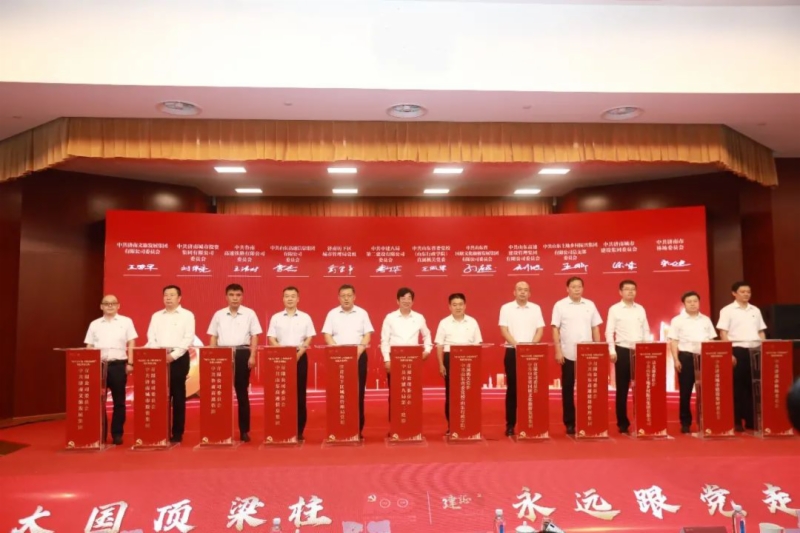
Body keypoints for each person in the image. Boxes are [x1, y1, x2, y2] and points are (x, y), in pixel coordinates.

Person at [207, 283, 263, 443]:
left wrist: (252, 356)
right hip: (222, 353)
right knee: (221, 394)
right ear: (226, 297)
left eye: (238, 295)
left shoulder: (249, 313)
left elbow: (255, 336)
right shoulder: (218, 314)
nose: (235, 298)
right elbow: (213, 336)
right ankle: (221, 429)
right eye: (231, 295)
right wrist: (212, 356)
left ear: (242, 297)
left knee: (241, 393)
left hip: (242, 352)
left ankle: (244, 431)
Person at [551, 276, 602, 435]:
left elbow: (595, 328)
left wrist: (598, 349)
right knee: (567, 389)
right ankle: (570, 423)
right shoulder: (560, 305)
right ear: (567, 289)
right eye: (573, 287)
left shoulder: (590, 305)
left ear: (583, 288)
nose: (577, 289)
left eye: (579, 286)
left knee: (589, 390)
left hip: (588, 354)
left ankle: (588, 420)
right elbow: (555, 329)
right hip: (568, 354)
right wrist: (558, 350)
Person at [84, 294, 138, 445]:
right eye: (106, 303)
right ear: (101, 306)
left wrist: (131, 363)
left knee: (119, 401)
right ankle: (100, 433)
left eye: (113, 303)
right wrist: (89, 364)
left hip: (118, 365)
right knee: (97, 402)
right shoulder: (94, 324)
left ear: (118, 306)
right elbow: (89, 345)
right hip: (99, 365)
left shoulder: (126, 322)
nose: (110, 306)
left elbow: (131, 342)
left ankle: (117, 433)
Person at [322, 284, 374, 438]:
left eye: (349, 295)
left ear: (354, 297)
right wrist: (338, 353)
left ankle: (357, 428)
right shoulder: (332, 314)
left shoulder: (362, 313)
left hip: (358, 356)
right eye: (343, 296)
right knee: (337, 393)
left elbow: (367, 334)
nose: (346, 298)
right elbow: (327, 335)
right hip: (337, 359)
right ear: (338, 298)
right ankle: (338, 427)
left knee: (358, 393)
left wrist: (358, 351)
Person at [146, 285, 195, 444]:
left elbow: (188, 338)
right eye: (166, 295)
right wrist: (160, 355)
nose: (168, 297)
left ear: (179, 298)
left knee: (178, 395)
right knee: (159, 395)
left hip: (179, 358)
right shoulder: (156, 316)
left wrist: (172, 356)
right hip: (158, 358)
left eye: (172, 295)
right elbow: (151, 337)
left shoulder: (187, 315)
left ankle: (177, 432)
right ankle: (160, 429)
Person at [716, 281, 767, 432]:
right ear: (734, 293)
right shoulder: (727, 310)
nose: (746, 294)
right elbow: (723, 333)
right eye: (742, 292)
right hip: (737, 350)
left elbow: (761, 331)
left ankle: (751, 420)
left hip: (755, 350)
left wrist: (765, 348)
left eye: (748, 292)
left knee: (753, 386)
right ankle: (736, 420)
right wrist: (729, 353)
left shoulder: (755, 310)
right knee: (737, 386)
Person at [267, 286, 315, 441]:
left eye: (293, 296)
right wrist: (283, 353)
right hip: (280, 359)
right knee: (282, 393)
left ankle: (299, 429)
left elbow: (309, 337)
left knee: (299, 393)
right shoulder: (276, 317)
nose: (290, 299)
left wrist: (299, 353)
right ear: (283, 299)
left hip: (300, 356)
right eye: (287, 296)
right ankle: (283, 426)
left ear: (298, 299)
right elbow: (271, 338)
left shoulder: (305, 317)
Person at [498, 281, 545, 437]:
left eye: (525, 290)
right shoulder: (506, 308)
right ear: (514, 292)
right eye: (519, 289)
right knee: (513, 389)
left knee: (531, 390)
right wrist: (517, 345)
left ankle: (530, 423)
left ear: (529, 293)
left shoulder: (536, 308)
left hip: (532, 353)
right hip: (512, 351)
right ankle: (510, 425)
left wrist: (531, 346)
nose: (522, 292)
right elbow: (503, 330)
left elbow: (540, 329)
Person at [380, 287, 433, 425]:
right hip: (395, 359)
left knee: (412, 392)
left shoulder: (419, 317)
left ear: (413, 301)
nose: (406, 301)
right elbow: (384, 340)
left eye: (409, 298)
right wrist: (387, 360)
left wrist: (427, 350)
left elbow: (427, 335)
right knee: (395, 393)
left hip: (413, 360)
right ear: (397, 301)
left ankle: (412, 424)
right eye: (403, 298)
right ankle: (395, 425)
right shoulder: (390, 318)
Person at [667, 291, 718, 434]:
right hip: (686, 357)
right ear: (684, 304)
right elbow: (674, 341)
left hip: (704, 357)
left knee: (707, 391)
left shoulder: (705, 320)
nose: (693, 304)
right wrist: (676, 359)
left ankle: (706, 421)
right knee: (685, 392)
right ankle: (685, 423)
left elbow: (711, 339)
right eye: (689, 302)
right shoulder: (677, 320)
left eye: (695, 301)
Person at [605, 279, 651, 435]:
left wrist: (647, 349)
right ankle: (623, 423)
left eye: (633, 289)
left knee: (642, 388)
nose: (630, 291)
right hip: (623, 350)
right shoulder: (615, 309)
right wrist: (612, 350)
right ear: (620, 292)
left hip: (640, 351)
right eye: (627, 289)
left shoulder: (640, 309)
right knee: (622, 389)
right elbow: (609, 331)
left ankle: (643, 421)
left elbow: (645, 330)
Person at [434, 293, 482, 435]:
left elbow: (478, 343)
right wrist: (441, 364)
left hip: (469, 359)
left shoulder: (472, 322)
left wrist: (475, 364)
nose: (458, 307)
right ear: (449, 307)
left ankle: (470, 425)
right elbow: (439, 345)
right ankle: (452, 426)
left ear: (465, 306)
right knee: (452, 394)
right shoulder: (444, 323)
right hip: (450, 358)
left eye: (460, 304)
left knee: (469, 394)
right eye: (454, 305)